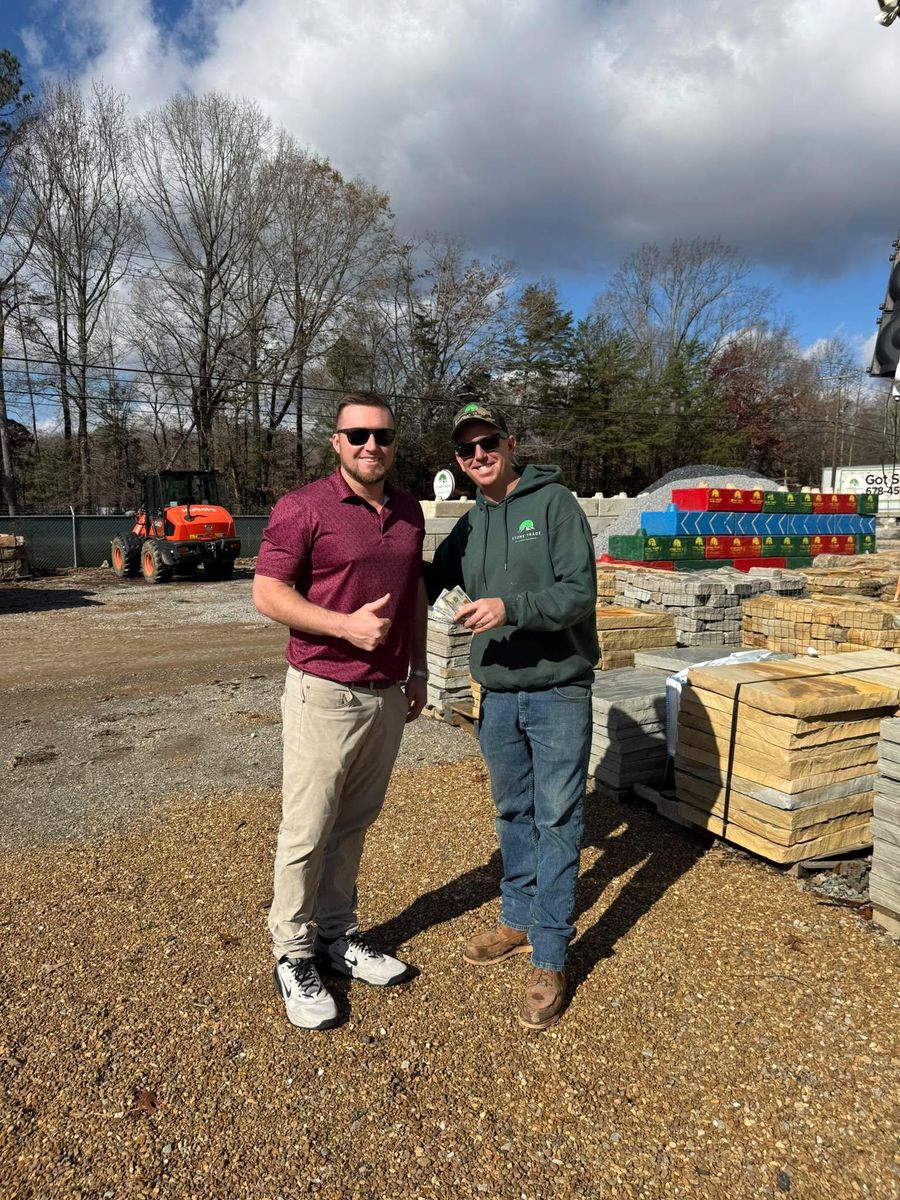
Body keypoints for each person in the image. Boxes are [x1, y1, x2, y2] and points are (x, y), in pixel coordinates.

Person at [253, 392, 428, 1031]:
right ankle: (292, 953)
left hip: (386, 695)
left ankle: (336, 935)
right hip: (323, 691)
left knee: (354, 823)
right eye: (357, 435)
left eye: (381, 435)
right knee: (307, 828)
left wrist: (419, 669)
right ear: (336, 441)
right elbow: (267, 592)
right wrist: (341, 627)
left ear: (394, 443)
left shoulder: (408, 510)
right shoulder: (303, 508)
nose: (370, 446)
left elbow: (413, 593)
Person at [427, 402, 598, 1032]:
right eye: (466, 448)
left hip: (556, 691)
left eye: (487, 442)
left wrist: (511, 607)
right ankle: (519, 918)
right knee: (511, 810)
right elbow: (425, 579)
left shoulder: (555, 506)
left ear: (511, 443)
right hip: (495, 694)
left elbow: (580, 592)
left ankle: (551, 952)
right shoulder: (471, 524)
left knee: (556, 816)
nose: (477, 454)